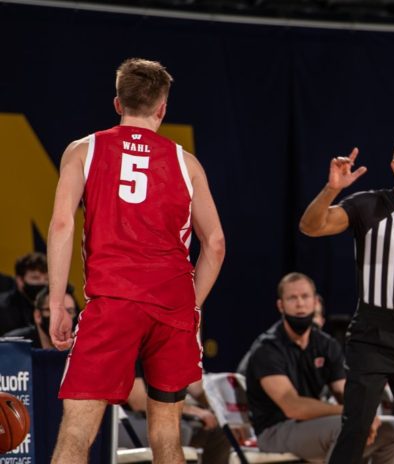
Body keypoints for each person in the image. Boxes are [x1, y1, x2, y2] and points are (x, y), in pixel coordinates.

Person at [47, 58, 226, 464]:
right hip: (172, 306)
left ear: (117, 103)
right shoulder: (187, 163)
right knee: (166, 436)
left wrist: (58, 302)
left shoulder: (83, 150)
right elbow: (214, 243)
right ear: (162, 108)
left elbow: (61, 225)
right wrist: (191, 306)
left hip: (113, 301)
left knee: (77, 431)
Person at [300, 138, 394, 464]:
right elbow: (311, 227)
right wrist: (332, 189)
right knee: (356, 427)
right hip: (373, 333)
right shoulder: (369, 205)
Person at [244, 272, 394, 463]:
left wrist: (365, 415)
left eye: (305, 296)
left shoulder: (325, 344)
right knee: (347, 428)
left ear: (315, 302)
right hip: (275, 430)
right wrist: (352, 413)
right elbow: (293, 407)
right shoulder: (267, 348)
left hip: (313, 425)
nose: (300, 304)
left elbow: (345, 391)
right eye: (292, 298)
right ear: (281, 305)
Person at [119, 366, 231, 464]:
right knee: (180, 429)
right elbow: (139, 403)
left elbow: (195, 385)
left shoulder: (166, 346)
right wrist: (192, 411)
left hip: (163, 413)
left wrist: (220, 410)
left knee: (221, 430)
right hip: (127, 417)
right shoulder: (130, 346)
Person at [5, 286, 78, 349]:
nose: (64, 317)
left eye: (70, 311)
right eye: (56, 311)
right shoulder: (12, 345)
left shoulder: (82, 345)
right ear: (38, 316)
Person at [0, 252, 48, 335]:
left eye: (47, 279)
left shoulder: (61, 304)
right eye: (35, 278)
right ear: (20, 281)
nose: (42, 283)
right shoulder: (2, 308)